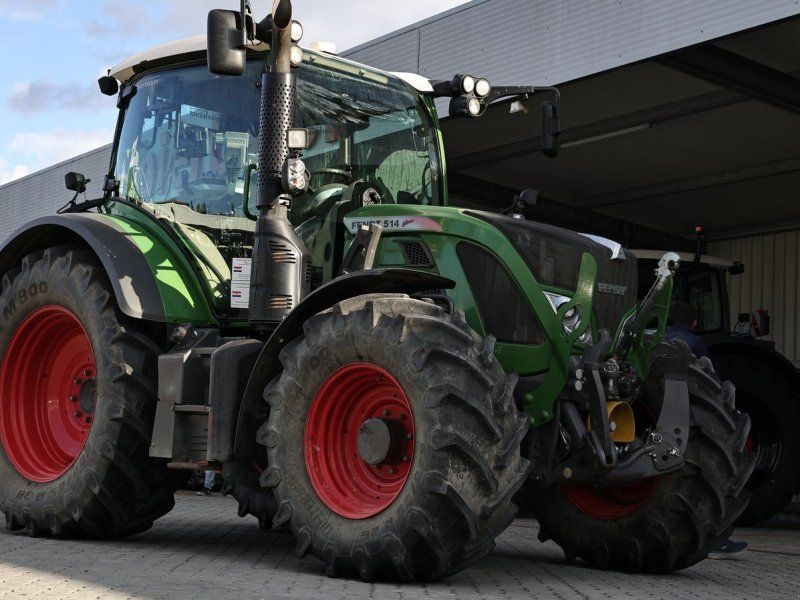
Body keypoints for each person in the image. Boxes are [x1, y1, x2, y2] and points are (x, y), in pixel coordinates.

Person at [665, 301, 748, 558]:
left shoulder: (661, 339)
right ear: (694, 323)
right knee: (708, 475)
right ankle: (713, 538)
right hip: (693, 418)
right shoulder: (696, 343)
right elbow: (710, 382)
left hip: (661, 416)